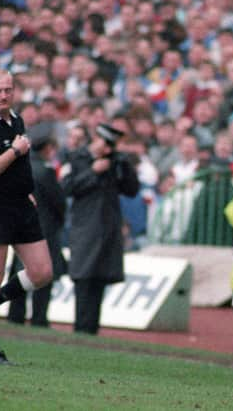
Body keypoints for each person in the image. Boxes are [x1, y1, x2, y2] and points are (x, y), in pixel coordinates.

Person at [0, 67, 53, 364]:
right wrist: (14, 152)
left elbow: (18, 165)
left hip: (21, 206)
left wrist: (26, 188)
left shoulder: (16, 119)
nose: (4, 95)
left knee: (42, 272)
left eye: (8, 89)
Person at [61, 123, 139, 335]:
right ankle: (81, 328)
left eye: (111, 145)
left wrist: (125, 166)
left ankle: (92, 329)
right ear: (96, 139)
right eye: (105, 143)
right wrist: (92, 172)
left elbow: (132, 190)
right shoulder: (77, 158)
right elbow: (67, 188)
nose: (107, 149)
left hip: (108, 230)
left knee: (100, 279)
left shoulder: (115, 161)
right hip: (85, 228)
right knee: (84, 278)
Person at [7, 123, 67, 327]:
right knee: (43, 275)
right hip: (43, 230)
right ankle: (39, 318)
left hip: (20, 227)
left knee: (20, 271)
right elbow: (60, 203)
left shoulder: (19, 167)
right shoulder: (45, 172)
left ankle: (15, 315)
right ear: (48, 147)